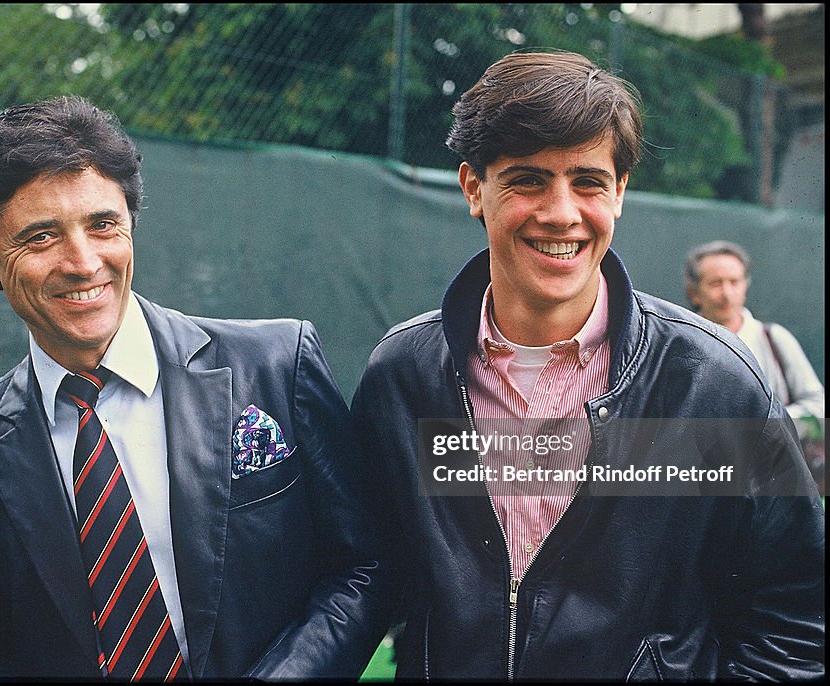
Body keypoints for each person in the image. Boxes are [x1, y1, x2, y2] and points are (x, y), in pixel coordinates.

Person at [351, 50, 824, 681]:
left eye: (588, 181)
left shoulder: (711, 382)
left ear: (620, 192)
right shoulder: (404, 375)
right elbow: (368, 577)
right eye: (527, 179)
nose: (561, 213)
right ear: (473, 187)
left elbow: (796, 620)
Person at [0, 95, 390, 680]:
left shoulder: (276, 363)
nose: (83, 261)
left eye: (103, 224)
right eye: (41, 237)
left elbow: (366, 566)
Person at [684, 240, 825, 434]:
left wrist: (771, 427)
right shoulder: (682, 342)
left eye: (734, 282)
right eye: (716, 284)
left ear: (745, 286)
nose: (727, 293)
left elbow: (819, 406)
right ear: (694, 293)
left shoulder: (774, 339)